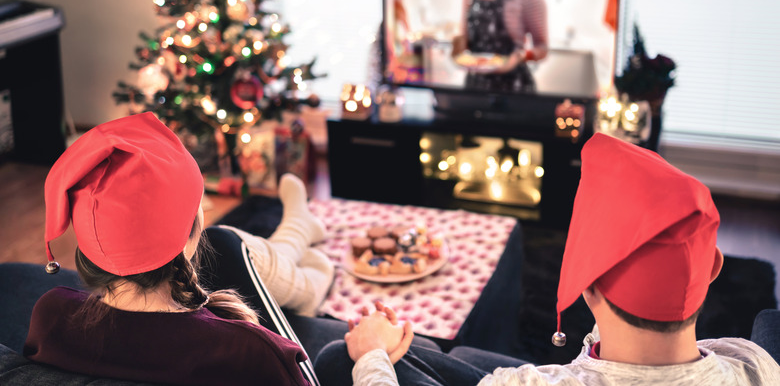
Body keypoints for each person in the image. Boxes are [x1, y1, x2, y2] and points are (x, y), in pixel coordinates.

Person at [314, 132, 780, 385]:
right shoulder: (756, 365)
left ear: (588, 283)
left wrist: (373, 355)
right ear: (713, 270)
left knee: (342, 357)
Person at [23, 112, 333, 385]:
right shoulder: (255, 351)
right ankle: (305, 260)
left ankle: (298, 230)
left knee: (228, 244)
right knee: (226, 242)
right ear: (187, 238)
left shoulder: (50, 316)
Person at [451, 0, 548, 94]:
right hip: (476, 85)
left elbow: (542, 48)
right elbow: (464, 39)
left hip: (514, 86)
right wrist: (457, 48)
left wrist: (519, 57)